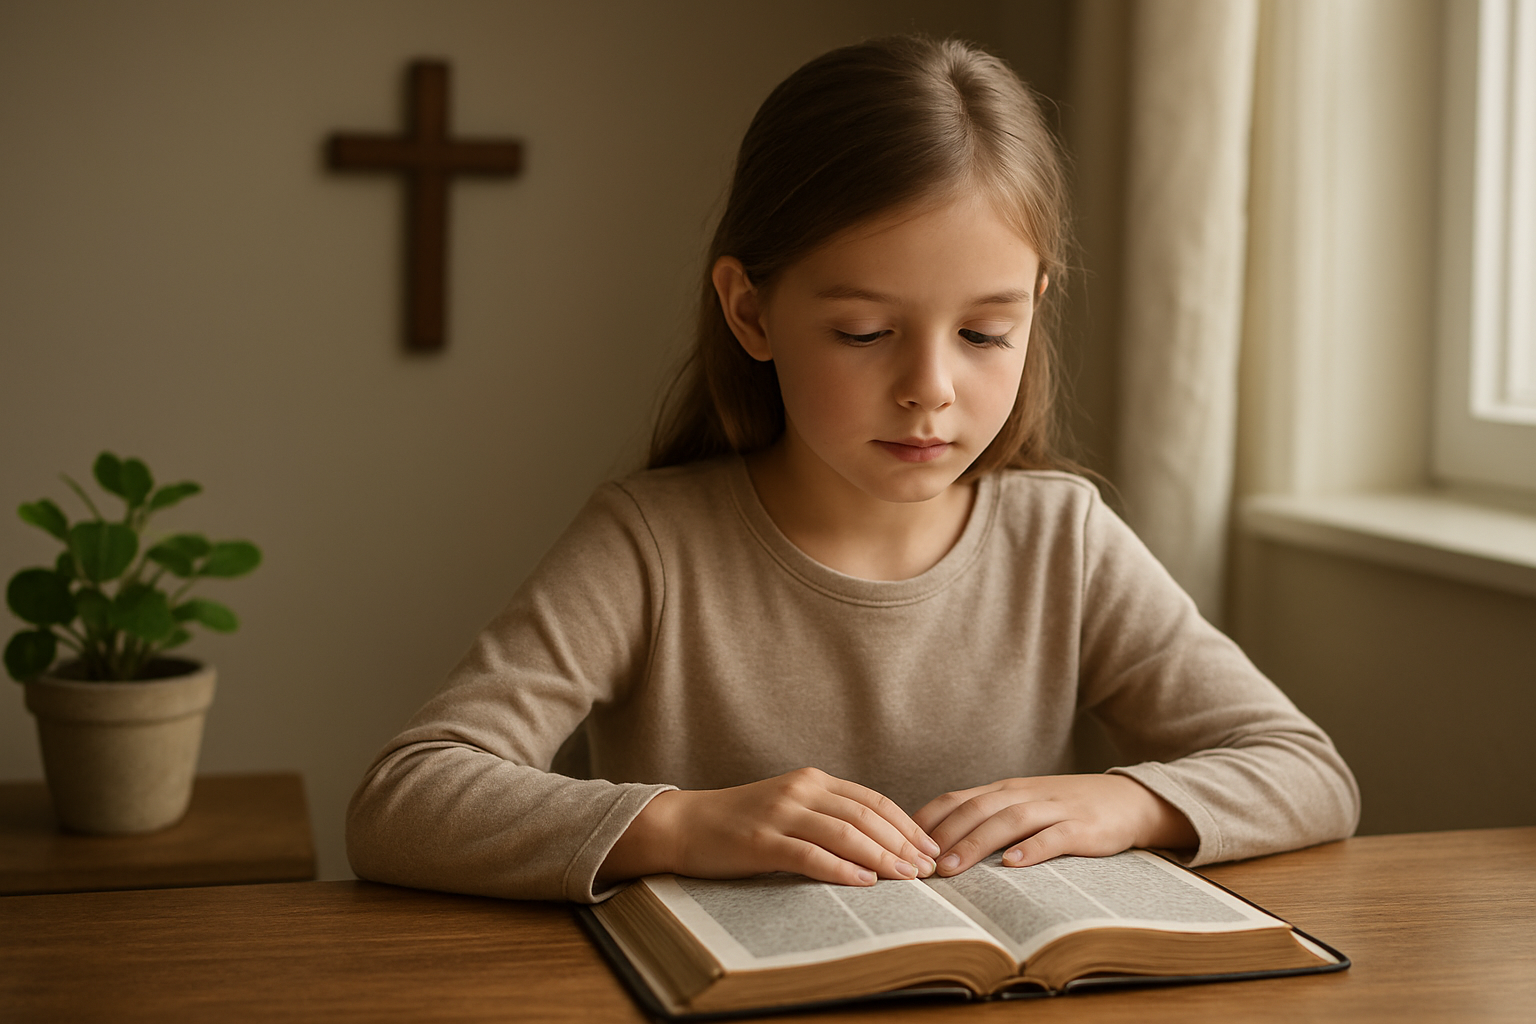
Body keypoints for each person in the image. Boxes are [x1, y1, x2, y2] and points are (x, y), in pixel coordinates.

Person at [346, 35, 1359, 903]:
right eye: (865, 331)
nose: (930, 387)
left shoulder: (1065, 539)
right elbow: (406, 797)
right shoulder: (649, 543)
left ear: (1035, 304)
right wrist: (684, 825)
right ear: (751, 312)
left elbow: (1308, 772)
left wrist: (1130, 800)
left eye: (984, 331)